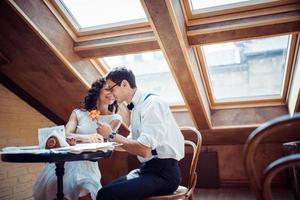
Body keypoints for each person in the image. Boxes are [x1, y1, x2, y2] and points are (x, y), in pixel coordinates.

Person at [96, 67, 185, 200]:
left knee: (107, 195)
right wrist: (106, 143)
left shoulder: (152, 104)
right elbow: (131, 144)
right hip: (147, 170)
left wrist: (111, 134)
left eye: (111, 88)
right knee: (103, 191)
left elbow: (144, 149)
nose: (110, 93)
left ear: (124, 84)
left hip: (164, 175)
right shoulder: (136, 107)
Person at [33, 78, 122, 200]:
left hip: (88, 165)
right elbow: (66, 135)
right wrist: (87, 138)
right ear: (97, 91)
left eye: (114, 91)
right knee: (55, 191)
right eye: (108, 89)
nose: (112, 94)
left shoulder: (115, 119)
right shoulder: (78, 113)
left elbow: (102, 141)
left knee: (86, 192)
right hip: (66, 162)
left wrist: (79, 138)